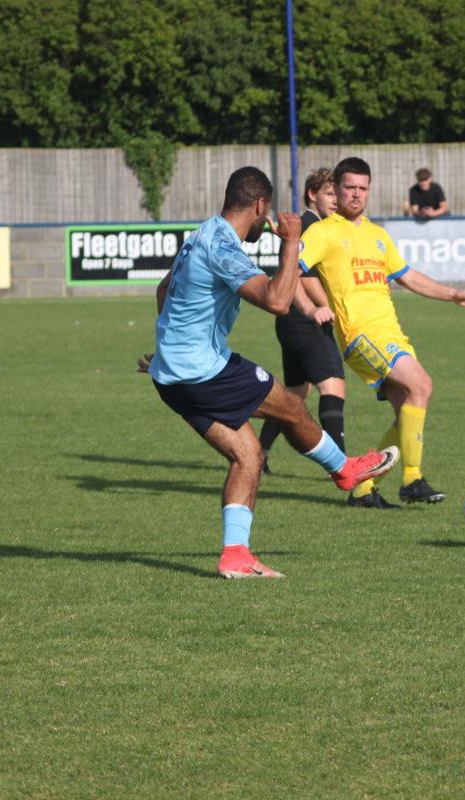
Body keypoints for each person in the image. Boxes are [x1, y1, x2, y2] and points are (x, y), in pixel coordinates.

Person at [140, 166, 398, 579]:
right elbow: (278, 301)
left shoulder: (201, 233)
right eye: (269, 209)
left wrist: (166, 350)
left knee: (248, 455)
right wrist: (292, 242)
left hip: (170, 377)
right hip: (203, 371)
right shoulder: (223, 248)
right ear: (260, 205)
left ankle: (235, 555)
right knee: (292, 407)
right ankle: (345, 470)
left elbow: (163, 289)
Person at [299, 157, 465, 506]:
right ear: (336, 190)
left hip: (391, 332)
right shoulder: (323, 231)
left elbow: (408, 276)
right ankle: (412, 479)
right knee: (422, 385)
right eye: (349, 187)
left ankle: (363, 488)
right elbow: (293, 269)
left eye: (363, 188)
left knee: (408, 411)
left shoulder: (378, 235)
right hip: (360, 334)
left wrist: (454, 295)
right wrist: (312, 308)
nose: (356, 194)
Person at [257, 169, 352, 497]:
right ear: (313, 194)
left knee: (294, 397)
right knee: (333, 385)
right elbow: (298, 273)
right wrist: (322, 306)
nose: (337, 201)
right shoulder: (312, 226)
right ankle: (342, 466)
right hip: (304, 320)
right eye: (330, 194)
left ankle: (259, 454)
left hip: (290, 320)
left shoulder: (309, 225)